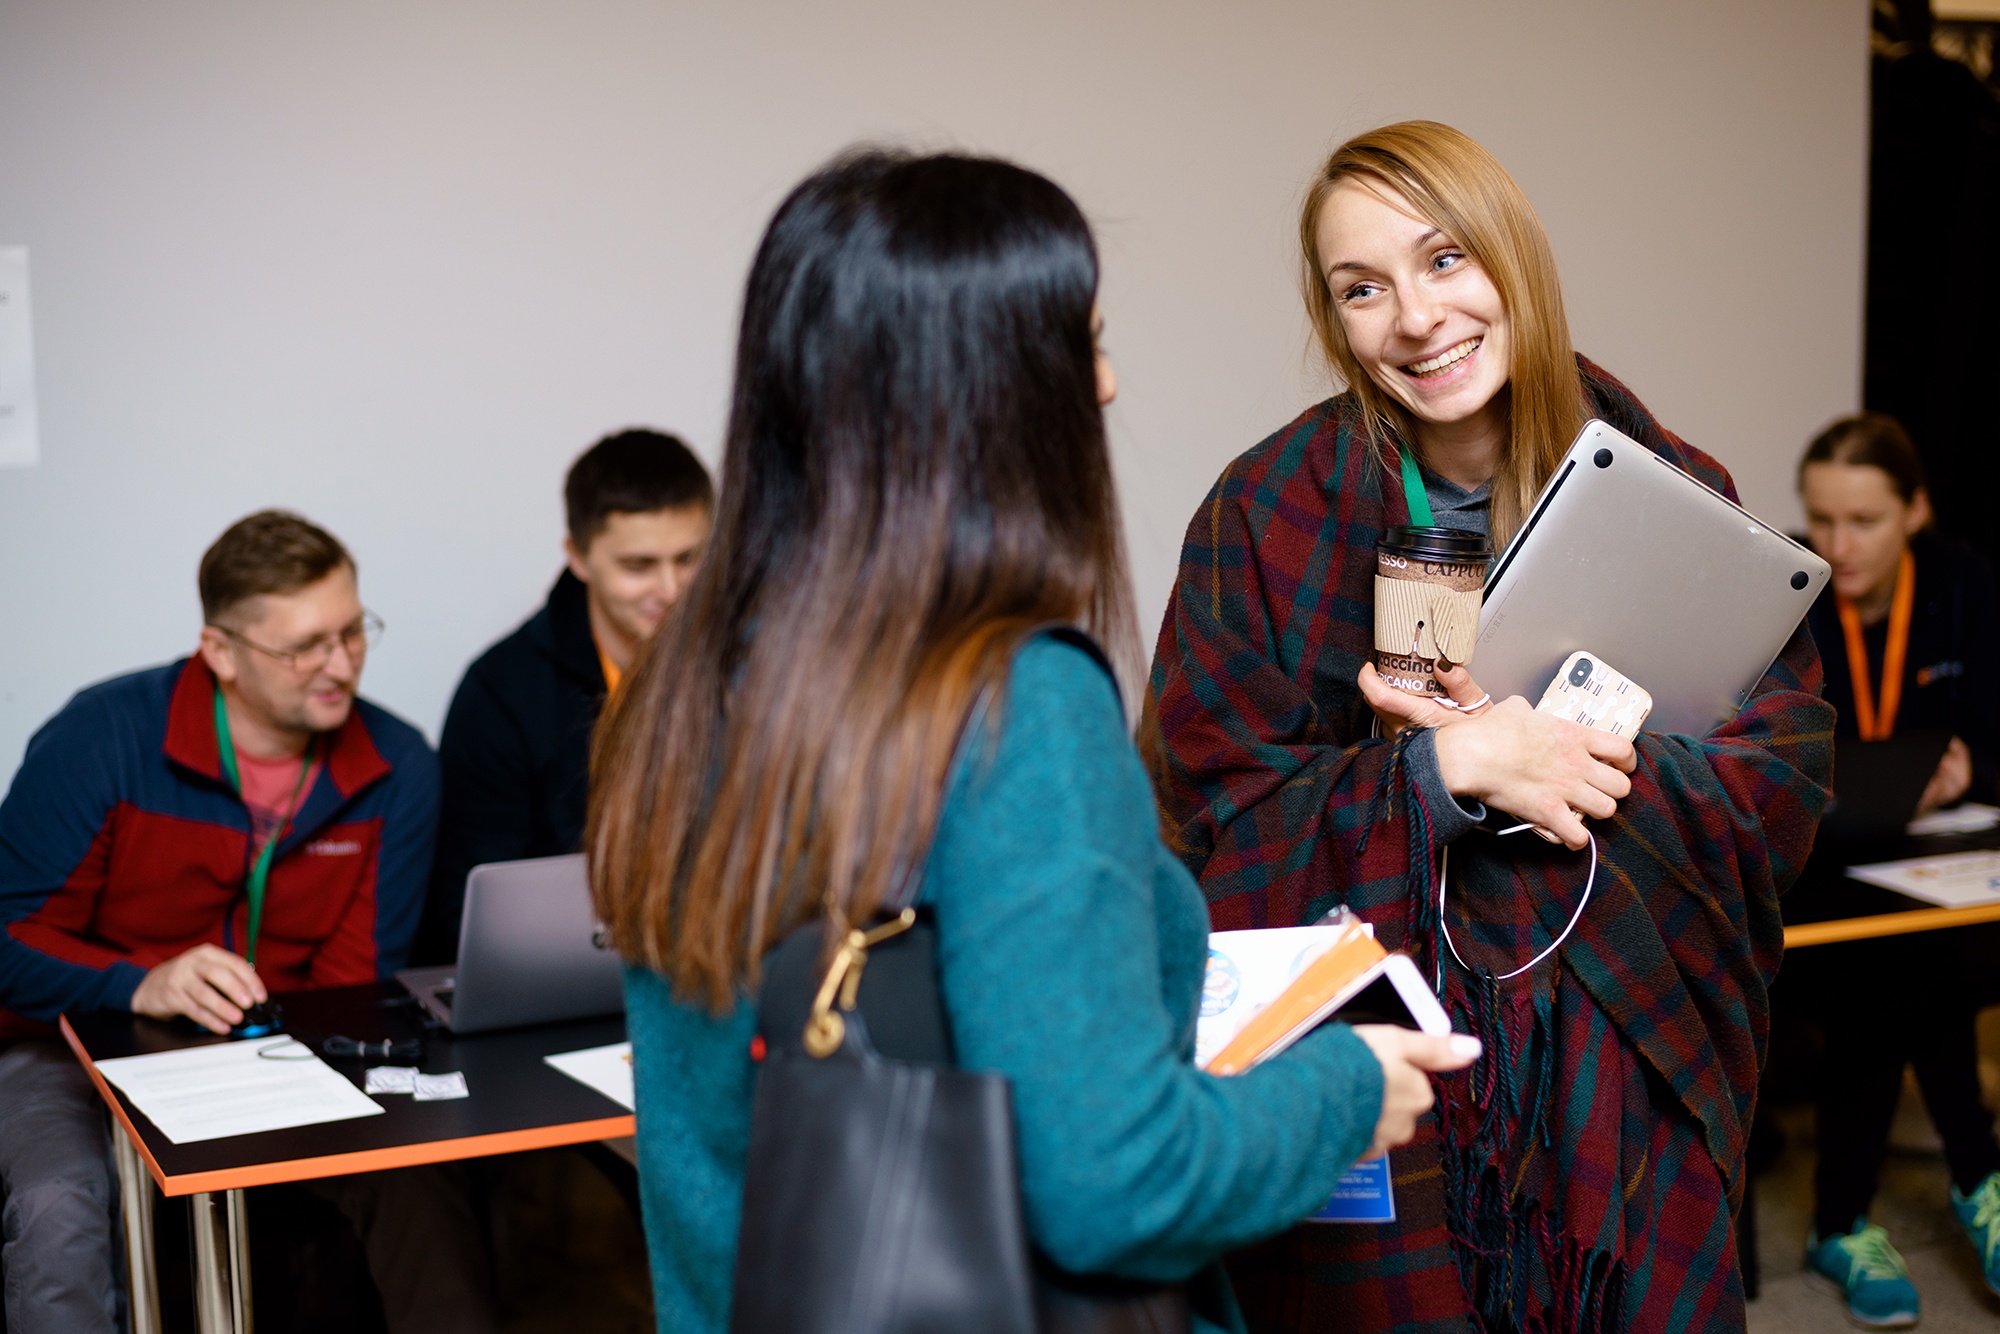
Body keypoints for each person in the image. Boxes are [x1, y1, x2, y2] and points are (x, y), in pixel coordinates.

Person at [585, 148, 1479, 1334]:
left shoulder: (679, 683)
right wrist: (1341, 1083)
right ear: (990, 389)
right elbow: (1112, 1183)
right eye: (1083, 342)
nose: (1105, 384)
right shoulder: (1017, 701)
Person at [1145, 121, 1833, 1331]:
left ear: (1514, 261)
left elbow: (1776, 776)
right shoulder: (1259, 517)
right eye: (1362, 288)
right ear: (1332, 315)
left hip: (1623, 1072)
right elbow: (1204, 825)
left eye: (1445, 261)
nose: (1413, 318)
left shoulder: (1680, 489)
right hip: (1386, 1080)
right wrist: (1434, 772)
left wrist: (1558, 751)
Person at [0, 510, 496, 1334]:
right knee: (61, 1207)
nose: (341, 665)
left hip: (282, 1051)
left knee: (420, 1177)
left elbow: (356, 980)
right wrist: (140, 983)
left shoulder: (398, 764)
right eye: (304, 646)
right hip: (70, 1044)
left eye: (353, 631)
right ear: (220, 651)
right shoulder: (103, 738)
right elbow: (7, 941)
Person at [1792, 411, 2000, 1325]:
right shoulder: (1793, 587)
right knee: (1900, 965)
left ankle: (1839, 1222)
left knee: (1905, 962)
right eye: (1822, 519)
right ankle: (1982, 1178)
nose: (1838, 545)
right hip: (1817, 865)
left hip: (1934, 856)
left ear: (1915, 511)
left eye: (1864, 522)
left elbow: (1993, 730)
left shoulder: (1960, 582)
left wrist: (1969, 770)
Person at [419, 428, 712, 962]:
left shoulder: (756, 667)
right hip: (562, 985)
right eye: (639, 566)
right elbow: (471, 913)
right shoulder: (501, 691)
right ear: (578, 557)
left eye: (690, 558)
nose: (671, 589)